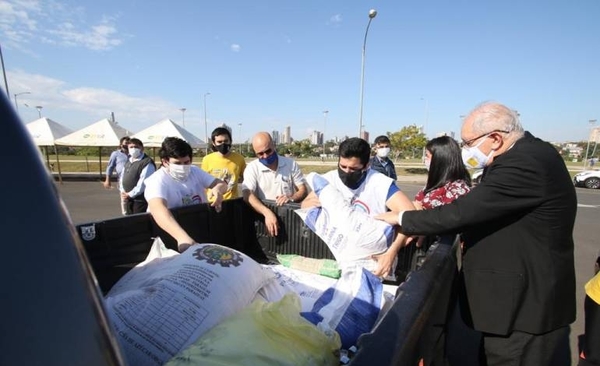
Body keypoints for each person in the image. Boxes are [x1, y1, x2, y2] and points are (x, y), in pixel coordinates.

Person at [376, 102, 577, 366]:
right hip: (505, 305)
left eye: (468, 143)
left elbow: (462, 212)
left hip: (524, 314)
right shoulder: (525, 155)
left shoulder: (526, 162)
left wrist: (404, 218)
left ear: (495, 138)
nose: (464, 150)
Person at [301, 137, 416, 278]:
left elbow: (411, 217)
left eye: (353, 168)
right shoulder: (329, 180)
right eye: (343, 167)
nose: (347, 172)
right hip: (338, 264)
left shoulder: (380, 184)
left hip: (375, 266)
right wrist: (314, 205)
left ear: (366, 165)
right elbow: (306, 203)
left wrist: (392, 251)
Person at [145, 137, 227, 252]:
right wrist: (181, 237)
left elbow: (221, 184)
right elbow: (158, 208)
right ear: (165, 162)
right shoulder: (157, 180)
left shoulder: (195, 171)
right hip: (170, 234)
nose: (183, 167)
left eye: (186, 162)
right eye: (177, 163)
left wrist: (218, 189)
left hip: (198, 228)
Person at [243, 132, 307, 236]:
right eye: (260, 154)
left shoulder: (290, 164)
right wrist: (267, 213)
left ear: (274, 145)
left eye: (268, 151)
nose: (265, 156)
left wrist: (291, 197)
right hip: (264, 221)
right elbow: (247, 195)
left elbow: (303, 190)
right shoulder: (252, 168)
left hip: (289, 219)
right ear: (255, 153)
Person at [414, 136, 471, 210]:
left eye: (427, 156)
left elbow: (448, 218)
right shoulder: (437, 182)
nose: (425, 159)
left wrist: (420, 211)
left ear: (440, 159)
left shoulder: (457, 189)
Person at [201, 127, 246, 200]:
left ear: (230, 141)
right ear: (213, 143)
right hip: (212, 202)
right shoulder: (207, 159)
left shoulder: (239, 159)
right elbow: (203, 183)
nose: (223, 144)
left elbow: (245, 179)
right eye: (219, 142)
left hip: (232, 203)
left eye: (226, 141)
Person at [119, 138, 156, 215]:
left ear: (142, 148)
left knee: (138, 222)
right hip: (127, 198)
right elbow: (122, 177)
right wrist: (123, 191)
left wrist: (130, 194)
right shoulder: (128, 161)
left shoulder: (147, 162)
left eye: (136, 147)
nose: (133, 149)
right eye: (131, 147)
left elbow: (143, 183)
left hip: (140, 201)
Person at [104, 136, 130, 215]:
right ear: (121, 144)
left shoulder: (132, 154)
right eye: (126, 143)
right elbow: (110, 167)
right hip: (122, 180)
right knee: (124, 199)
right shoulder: (116, 154)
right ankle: (125, 214)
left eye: (129, 143)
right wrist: (107, 180)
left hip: (133, 178)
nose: (127, 145)